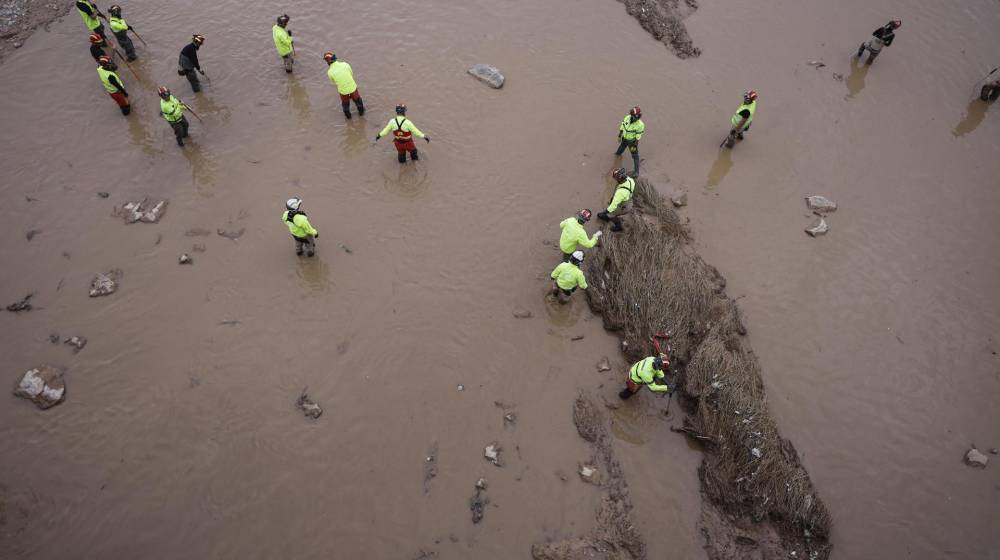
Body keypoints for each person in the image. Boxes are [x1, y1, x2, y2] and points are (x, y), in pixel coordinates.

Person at [324, 52, 365, 118]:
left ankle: (349, 118)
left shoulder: (330, 72)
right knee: (358, 102)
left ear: (327, 62)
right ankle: (362, 114)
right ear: (335, 58)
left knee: (345, 105)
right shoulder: (345, 64)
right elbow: (351, 73)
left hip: (343, 91)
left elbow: (334, 81)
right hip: (352, 87)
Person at [597, 167, 635, 232]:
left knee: (612, 214)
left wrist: (605, 212)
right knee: (614, 204)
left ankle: (618, 226)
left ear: (619, 179)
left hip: (624, 207)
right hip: (629, 201)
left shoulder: (620, 193)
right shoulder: (630, 180)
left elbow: (613, 206)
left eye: (616, 178)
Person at [615, 106, 644, 176]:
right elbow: (622, 126)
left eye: (637, 117)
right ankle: (617, 155)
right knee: (621, 148)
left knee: (635, 156)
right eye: (634, 116)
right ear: (631, 115)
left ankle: (636, 172)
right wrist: (619, 135)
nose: (635, 118)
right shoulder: (627, 118)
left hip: (632, 142)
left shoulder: (640, 125)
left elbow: (638, 136)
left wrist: (635, 145)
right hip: (624, 138)